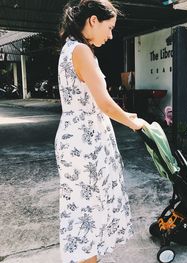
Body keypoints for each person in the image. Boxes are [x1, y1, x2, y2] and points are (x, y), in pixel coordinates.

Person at [55, 1, 147, 262]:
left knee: (85, 210)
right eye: (109, 27)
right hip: (85, 142)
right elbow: (103, 102)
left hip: (80, 137)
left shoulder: (72, 48)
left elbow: (90, 101)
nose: (110, 35)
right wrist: (134, 124)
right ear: (93, 20)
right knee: (88, 211)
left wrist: (126, 115)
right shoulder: (81, 50)